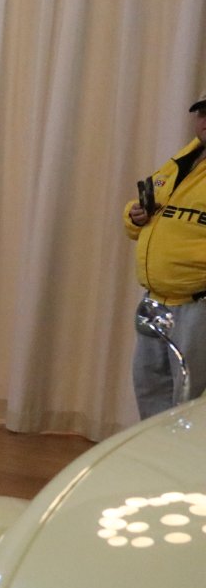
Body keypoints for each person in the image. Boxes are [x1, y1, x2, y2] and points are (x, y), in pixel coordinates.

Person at [125, 97, 206, 417]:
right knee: (150, 388)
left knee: (190, 399)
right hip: (156, 301)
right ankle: (155, 450)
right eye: (203, 114)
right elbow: (150, 213)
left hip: (197, 304)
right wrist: (135, 216)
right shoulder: (181, 161)